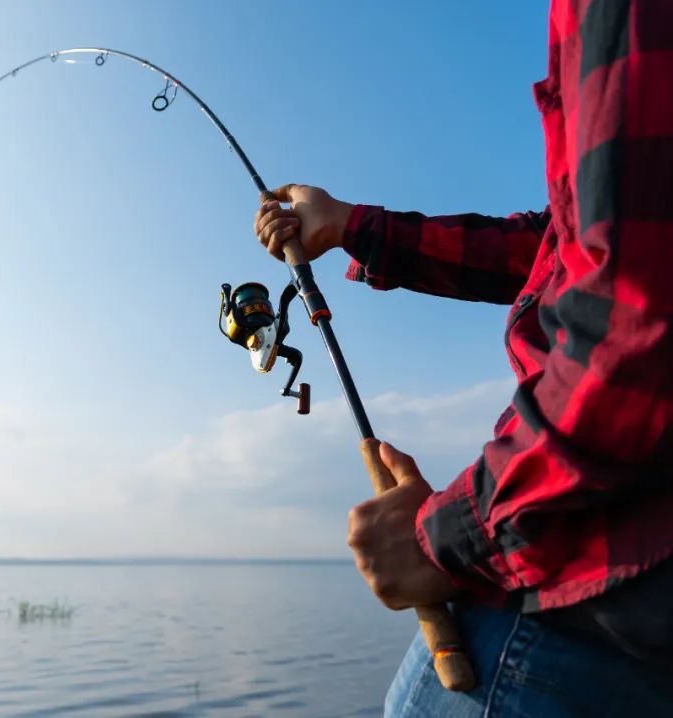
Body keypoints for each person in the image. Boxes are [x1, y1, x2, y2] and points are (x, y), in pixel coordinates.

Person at [254, 1, 672, 715]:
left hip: (592, 603)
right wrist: (355, 227)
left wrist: (449, 537)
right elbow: (568, 246)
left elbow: (630, 328)